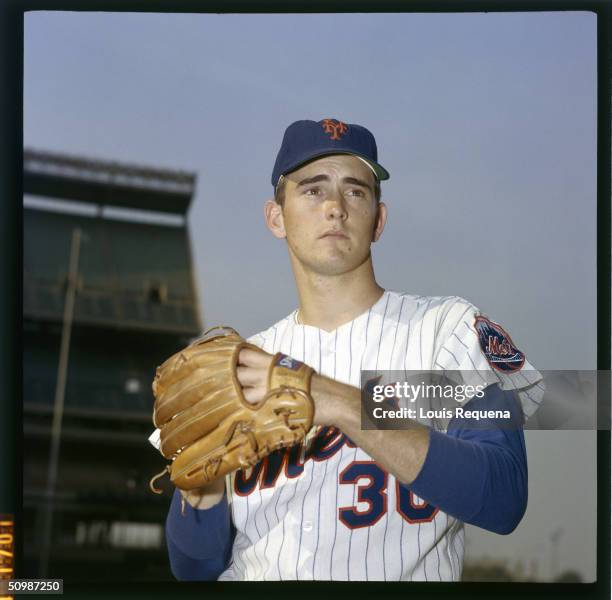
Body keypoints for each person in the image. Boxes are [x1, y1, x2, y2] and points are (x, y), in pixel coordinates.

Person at [154, 118, 543, 581]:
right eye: (313, 190)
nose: (335, 207)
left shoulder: (447, 331)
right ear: (275, 218)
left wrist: (338, 402)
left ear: (378, 220)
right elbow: (195, 570)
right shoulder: (240, 366)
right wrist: (202, 496)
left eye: (356, 191)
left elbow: (503, 496)